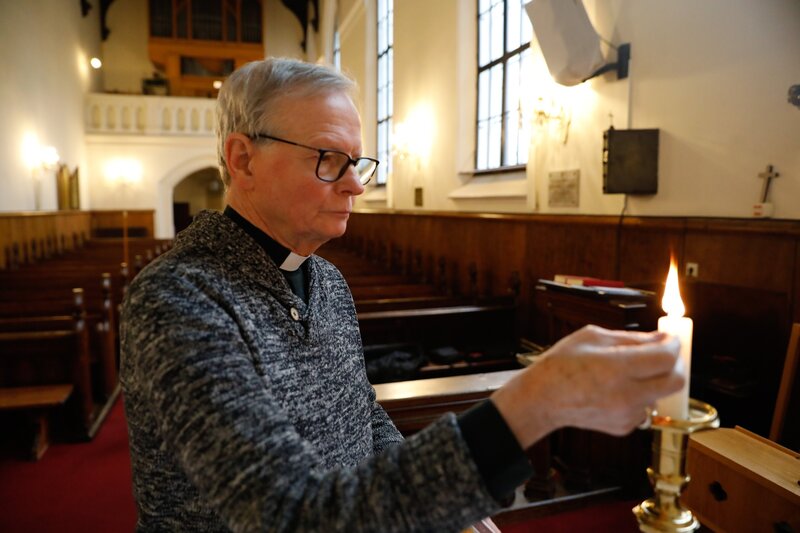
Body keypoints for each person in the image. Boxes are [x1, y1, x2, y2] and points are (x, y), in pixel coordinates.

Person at [120, 57, 684, 532]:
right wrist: (534, 401)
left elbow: (363, 418)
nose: (354, 185)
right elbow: (287, 516)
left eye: (357, 163)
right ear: (243, 158)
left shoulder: (328, 282)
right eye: (328, 159)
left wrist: (453, 506)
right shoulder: (176, 300)